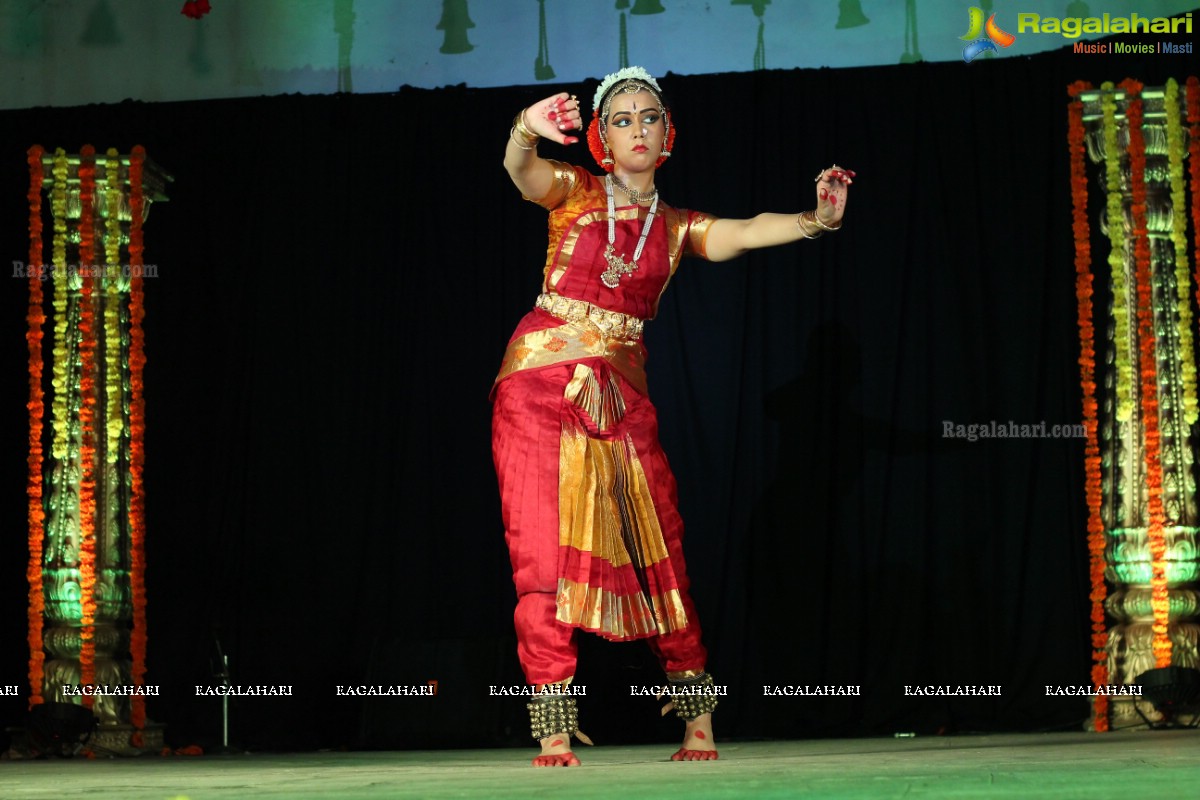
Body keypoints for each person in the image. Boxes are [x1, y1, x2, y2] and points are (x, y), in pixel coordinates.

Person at [492, 66, 852, 767]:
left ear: (668, 137)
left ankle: (697, 724)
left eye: (649, 117)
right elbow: (522, 171)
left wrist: (816, 221)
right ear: (600, 139)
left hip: (623, 398)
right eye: (621, 118)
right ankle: (554, 729)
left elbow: (745, 232)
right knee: (540, 547)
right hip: (538, 386)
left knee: (662, 551)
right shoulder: (575, 192)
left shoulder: (679, 227)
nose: (636, 127)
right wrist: (523, 132)